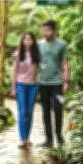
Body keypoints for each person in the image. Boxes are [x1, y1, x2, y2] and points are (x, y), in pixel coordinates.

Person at [37, 20, 68, 148]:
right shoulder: (38, 44)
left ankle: (59, 136)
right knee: (45, 111)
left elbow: (65, 63)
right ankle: (48, 140)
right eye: (44, 30)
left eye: (48, 30)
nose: (46, 32)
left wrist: (66, 81)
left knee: (58, 109)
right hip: (43, 83)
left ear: (54, 31)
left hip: (57, 83)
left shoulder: (62, 44)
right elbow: (35, 60)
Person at [11, 32, 40, 148]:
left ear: (33, 41)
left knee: (29, 113)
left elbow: (39, 69)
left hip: (33, 86)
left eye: (30, 39)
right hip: (21, 85)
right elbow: (14, 71)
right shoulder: (18, 54)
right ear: (22, 41)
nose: (27, 41)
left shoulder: (36, 54)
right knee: (22, 112)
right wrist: (13, 87)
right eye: (25, 39)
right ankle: (23, 139)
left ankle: (28, 138)